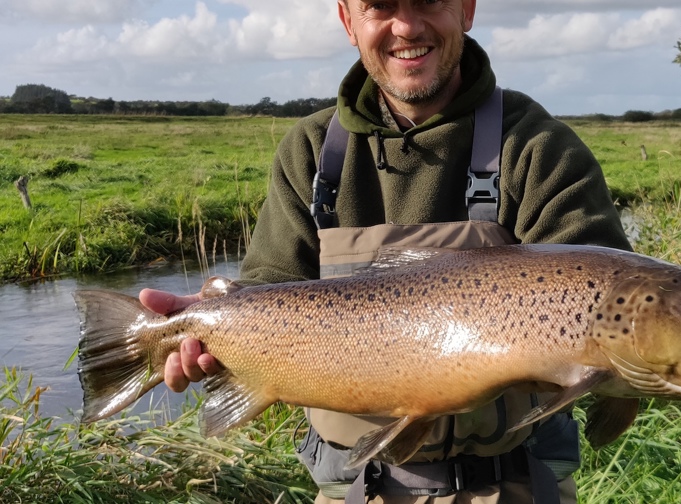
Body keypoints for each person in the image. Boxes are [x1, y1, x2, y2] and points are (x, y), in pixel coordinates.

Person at [140, 0, 631, 502]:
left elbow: (611, 316)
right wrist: (204, 337)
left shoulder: (537, 145)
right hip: (354, 490)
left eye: (427, 2)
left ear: (466, 9)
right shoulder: (310, 151)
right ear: (347, 20)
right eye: (380, 6)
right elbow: (267, 288)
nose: (406, 26)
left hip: (515, 486)